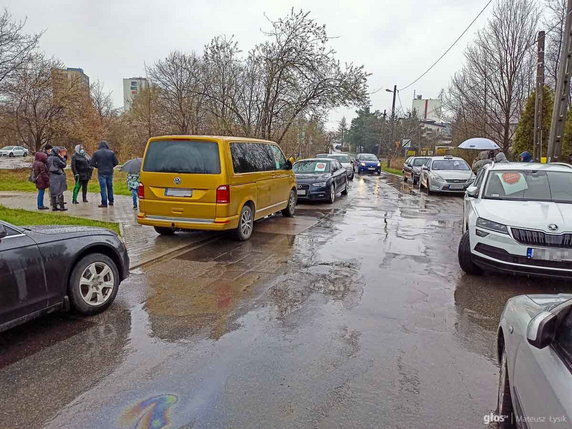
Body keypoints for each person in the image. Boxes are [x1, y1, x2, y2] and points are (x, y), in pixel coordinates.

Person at [91, 140, 119, 208]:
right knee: (110, 187)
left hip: (101, 172)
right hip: (110, 172)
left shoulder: (96, 153)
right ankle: (111, 201)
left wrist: (98, 166)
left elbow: (92, 163)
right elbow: (116, 162)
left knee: (103, 188)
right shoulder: (111, 153)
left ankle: (104, 202)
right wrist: (111, 166)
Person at [47, 147, 68, 211]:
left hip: (51, 176)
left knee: (53, 191)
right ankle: (62, 207)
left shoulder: (49, 158)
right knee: (60, 191)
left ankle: (54, 206)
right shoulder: (56, 158)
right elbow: (63, 165)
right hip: (58, 175)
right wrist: (62, 158)